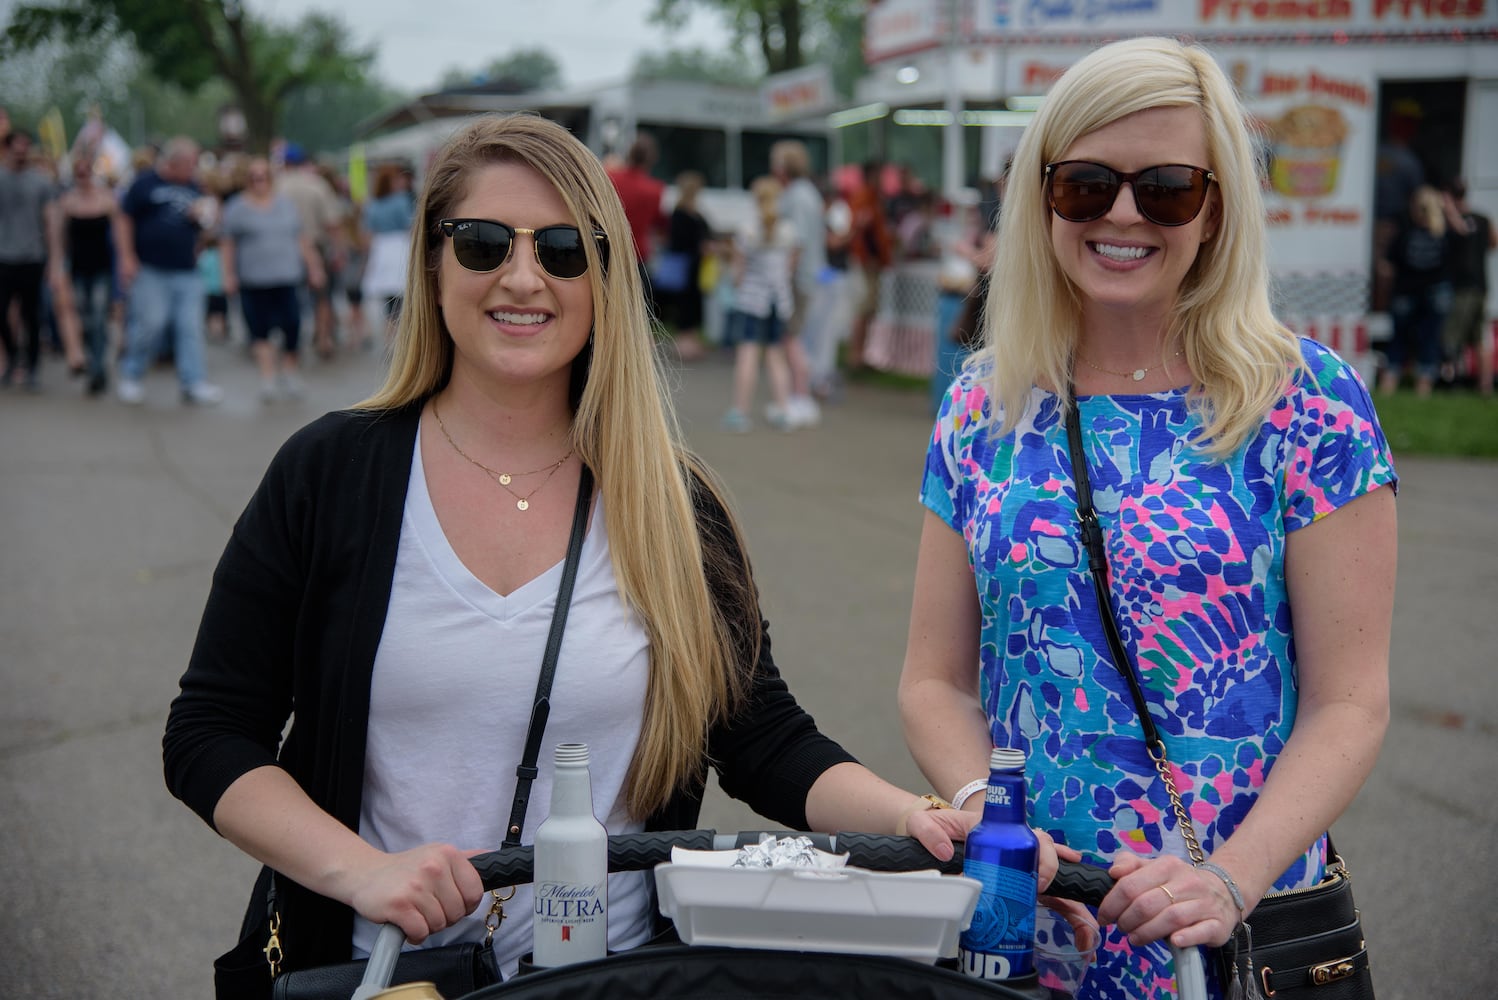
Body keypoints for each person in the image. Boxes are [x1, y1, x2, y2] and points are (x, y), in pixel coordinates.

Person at [163, 113, 1017, 999]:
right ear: (431, 261)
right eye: (484, 243)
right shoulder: (331, 472)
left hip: (602, 980)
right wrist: (356, 870)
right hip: (378, 972)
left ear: (606, 274)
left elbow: (763, 739)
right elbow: (210, 733)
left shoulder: (672, 504)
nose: (523, 277)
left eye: (566, 249)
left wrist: (931, 819)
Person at [897, 37, 1396, 1000]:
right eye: (1085, 184)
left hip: (1222, 930)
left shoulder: (1306, 401)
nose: (1122, 215)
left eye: (1166, 187)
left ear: (1216, 208)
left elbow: (1351, 702)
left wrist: (1228, 878)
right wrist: (984, 813)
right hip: (1032, 923)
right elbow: (932, 680)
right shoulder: (982, 403)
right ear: (1041, 199)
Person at [114, 136, 223, 406]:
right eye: (191, 163)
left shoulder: (196, 187)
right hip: (151, 269)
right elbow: (123, 218)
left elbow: (208, 230)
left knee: (190, 327)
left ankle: (193, 381)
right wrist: (126, 256)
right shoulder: (145, 183)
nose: (194, 168)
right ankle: (132, 374)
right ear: (175, 162)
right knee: (151, 323)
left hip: (187, 270)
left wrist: (205, 219)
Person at [219, 156, 326, 402]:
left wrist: (314, 267)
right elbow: (227, 244)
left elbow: (301, 239)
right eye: (254, 177)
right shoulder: (236, 208)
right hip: (253, 280)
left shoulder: (286, 205)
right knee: (259, 330)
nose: (259, 182)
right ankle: (267, 376)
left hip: (287, 277)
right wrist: (229, 275)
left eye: (263, 176)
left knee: (293, 325)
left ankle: (289, 372)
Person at [721, 175, 799, 432]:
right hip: (779, 302)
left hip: (752, 302)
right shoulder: (788, 231)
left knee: (748, 355)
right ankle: (783, 411)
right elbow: (789, 268)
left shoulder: (747, 231)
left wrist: (736, 282)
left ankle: (740, 412)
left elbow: (738, 273)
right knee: (776, 356)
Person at [46, 151, 121, 396]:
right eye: (79, 172)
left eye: (86, 171)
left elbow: (119, 237)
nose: (83, 176)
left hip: (102, 269)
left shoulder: (107, 200)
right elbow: (58, 242)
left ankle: (98, 368)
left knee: (99, 316)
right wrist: (57, 268)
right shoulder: (67, 202)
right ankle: (90, 359)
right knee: (84, 319)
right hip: (78, 269)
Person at [769, 139, 824, 428]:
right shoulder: (805, 193)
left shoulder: (797, 196)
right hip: (805, 277)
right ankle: (797, 396)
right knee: (792, 337)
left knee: (790, 337)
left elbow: (797, 242)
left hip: (797, 278)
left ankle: (801, 397)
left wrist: (781, 274)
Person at [1377, 184, 1451, 397]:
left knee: (1400, 337)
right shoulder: (1443, 232)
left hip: (1407, 291)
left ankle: (1391, 381)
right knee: (1429, 338)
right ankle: (1423, 385)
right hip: (1433, 291)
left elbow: (1389, 262)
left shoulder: (1406, 230)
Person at [275, 143, 344, 358]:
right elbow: (333, 222)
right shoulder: (317, 185)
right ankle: (324, 339)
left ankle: (288, 341)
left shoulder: (275, 187)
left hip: (283, 249)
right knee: (322, 297)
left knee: (286, 297)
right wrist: (339, 250)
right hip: (316, 246)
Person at [0, 129, 56, 389]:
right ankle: (12, 359)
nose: (21, 151)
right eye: (17, 146)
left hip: (32, 257)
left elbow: (50, 221)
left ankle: (32, 367)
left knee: (32, 316)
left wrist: (54, 259)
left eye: (26, 146)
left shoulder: (41, 181)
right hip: (4, 257)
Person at [1440, 177, 1495, 396]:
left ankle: (1453, 382)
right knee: (1480, 338)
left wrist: (1447, 208)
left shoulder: (1458, 220)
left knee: (1453, 337)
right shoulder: (1483, 219)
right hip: (1481, 286)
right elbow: (1493, 242)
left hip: (1464, 288)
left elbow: (1462, 230)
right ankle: (1485, 386)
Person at [845, 160, 893, 372]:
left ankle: (861, 354)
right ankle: (855, 355)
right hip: (865, 263)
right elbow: (859, 231)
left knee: (869, 310)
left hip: (872, 263)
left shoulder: (872, 198)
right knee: (862, 309)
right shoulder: (863, 197)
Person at [361, 163, 415, 343]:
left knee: (388, 298)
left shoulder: (373, 205)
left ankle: (389, 336)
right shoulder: (401, 201)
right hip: (399, 247)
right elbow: (410, 226)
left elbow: (368, 232)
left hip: (381, 249)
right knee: (402, 294)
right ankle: (401, 337)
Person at [660, 170, 712, 361]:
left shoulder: (691, 212)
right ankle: (684, 342)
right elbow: (680, 241)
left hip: (694, 266)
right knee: (684, 304)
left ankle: (690, 340)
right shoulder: (681, 213)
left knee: (692, 303)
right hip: (685, 265)